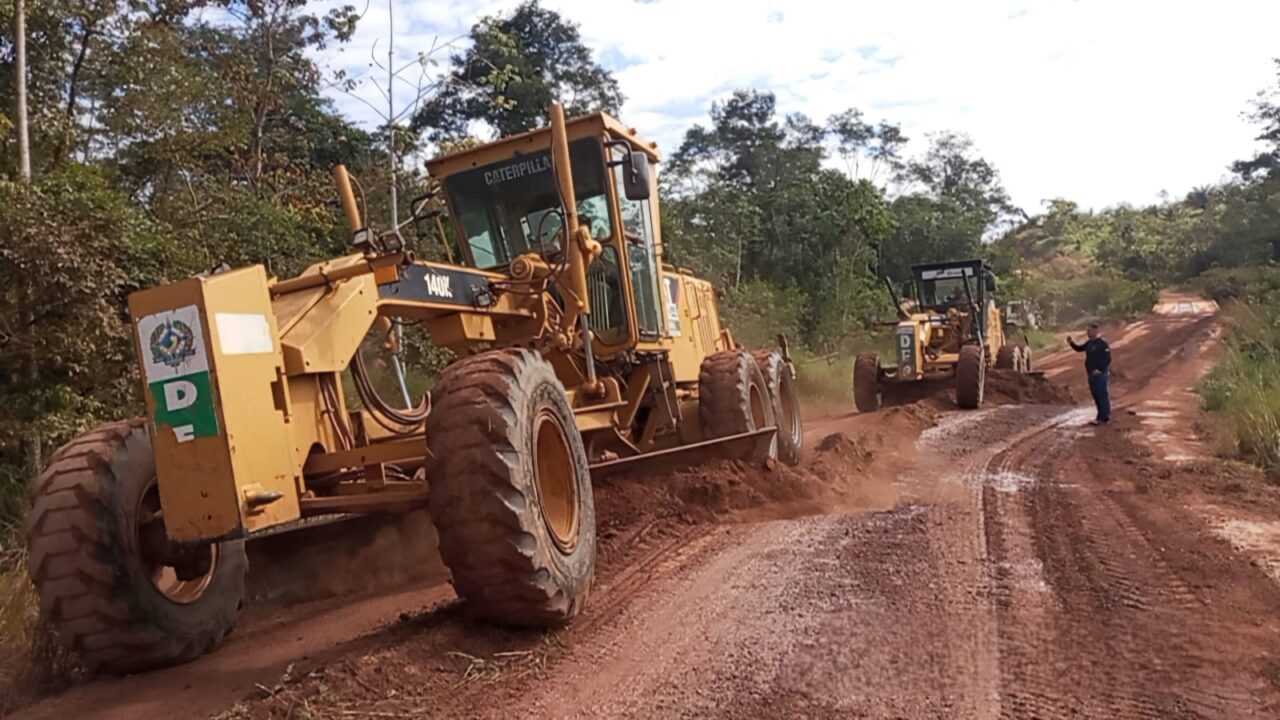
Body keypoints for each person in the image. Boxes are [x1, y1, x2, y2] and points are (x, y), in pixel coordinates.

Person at [1067, 323, 1112, 425]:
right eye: (1087, 331)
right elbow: (1079, 349)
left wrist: (1099, 369)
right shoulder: (1089, 343)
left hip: (1100, 374)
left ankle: (1105, 417)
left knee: (1102, 395)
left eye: (1090, 331)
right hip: (1091, 374)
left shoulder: (1102, 344)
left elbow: (1107, 359)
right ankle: (1099, 416)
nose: (1088, 333)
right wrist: (1071, 343)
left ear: (1096, 331)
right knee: (1096, 395)